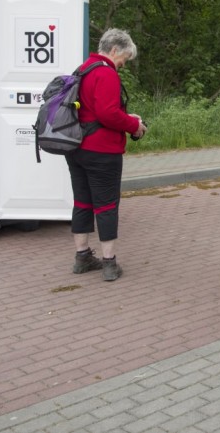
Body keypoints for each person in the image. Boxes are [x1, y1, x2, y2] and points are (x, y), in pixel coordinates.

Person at [66, 28, 147, 282]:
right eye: (123, 59)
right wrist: (134, 125)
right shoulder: (106, 73)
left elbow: (93, 110)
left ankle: (82, 257)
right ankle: (109, 263)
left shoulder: (82, 69)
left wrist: (124, 117)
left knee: (82, 201)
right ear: (114, 50)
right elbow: (107, 114)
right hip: (101, 151)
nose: (122, 65)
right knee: (107, 205)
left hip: (76, 147)